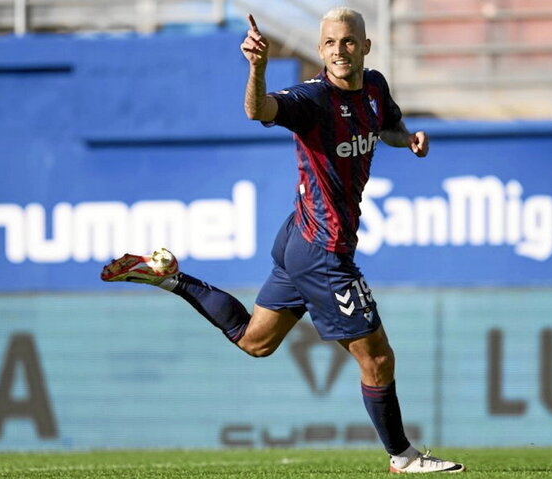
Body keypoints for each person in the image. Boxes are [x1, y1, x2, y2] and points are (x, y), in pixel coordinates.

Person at [101, 7, 464, 474]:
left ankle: (173, 279)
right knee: (377, 358)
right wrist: (257, 67)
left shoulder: (374, 87)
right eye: (331, 43)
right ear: (320, 49)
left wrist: (408, 138)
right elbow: (258, 110)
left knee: (255, 342)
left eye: (349, 42)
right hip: (321, 250)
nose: (339, 50)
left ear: (366, 46)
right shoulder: (311, 99)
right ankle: (403, 456)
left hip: (299, 237)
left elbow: (386, 126)